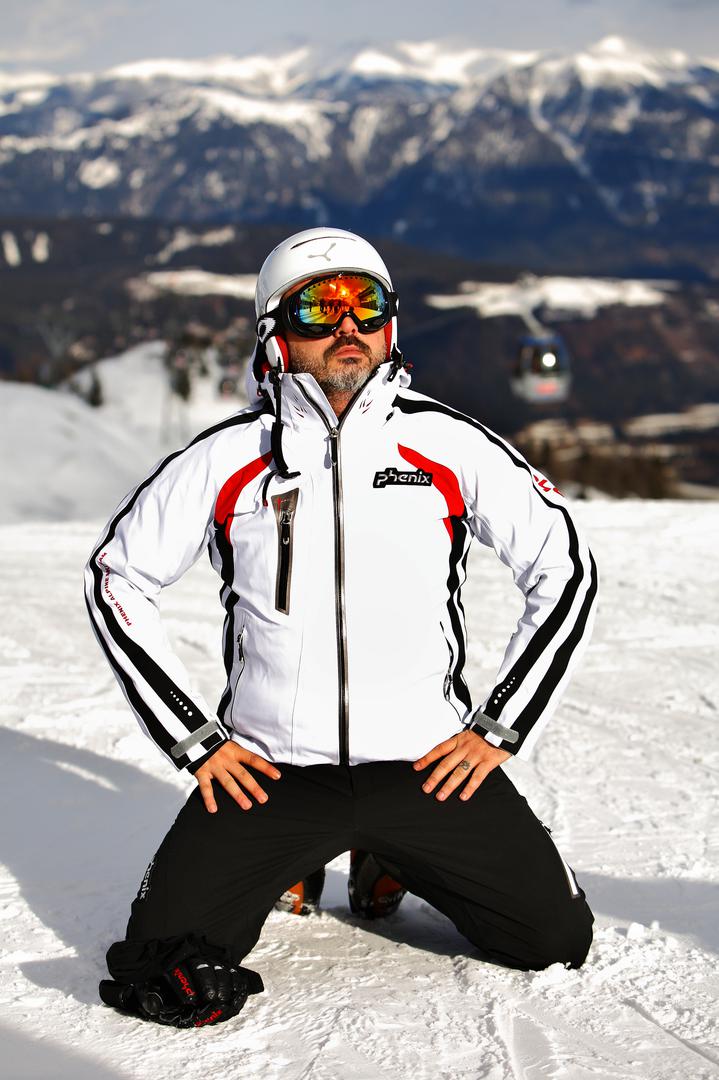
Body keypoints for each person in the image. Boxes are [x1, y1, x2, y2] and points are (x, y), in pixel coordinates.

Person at [85, 227, 598, 1030]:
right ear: (273, 332)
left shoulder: (446, 443)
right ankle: (300, 853)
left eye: (366, 304)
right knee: (163, 961)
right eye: (317, 309)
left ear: (390, 323)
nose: (347, 325)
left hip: (426, 766)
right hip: (270, 771)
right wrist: (196, 740)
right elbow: (118, 575)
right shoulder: (227, 458)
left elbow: (563, 567)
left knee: (554, 942)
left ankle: (387, 854)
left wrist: (499, 726)